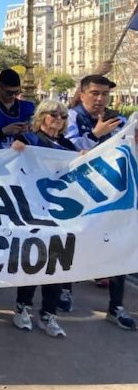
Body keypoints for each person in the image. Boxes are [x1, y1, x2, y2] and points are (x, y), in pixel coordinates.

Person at [62, 75, 135, 330]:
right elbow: (62, 151)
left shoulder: (119, 119)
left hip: (112, 195)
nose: (100, 99)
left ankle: (116, 307)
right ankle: (65, 289)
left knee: (120, 247)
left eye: (104, 94)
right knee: (73, 243)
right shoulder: (70, 117)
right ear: (82, 95)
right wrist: (95, 135)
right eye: (94, 93)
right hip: (79, 196)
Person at [7, 99, 73, 338]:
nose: (58, 119)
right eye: (53, 114)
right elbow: (10, 161)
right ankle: (22, 308)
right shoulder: (29, 141)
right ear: (42, 116)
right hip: (33, 210)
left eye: (63, 116)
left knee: (56, 265)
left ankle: (48, 313)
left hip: (59, 213)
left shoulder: (68, 145)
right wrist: (15, 150)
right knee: (33, 260)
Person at [0, 69, 35, 148]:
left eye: (16, 92)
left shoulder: (28, 108)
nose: (13, 96)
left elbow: (38, 136)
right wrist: (3, 131)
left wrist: (28, 131)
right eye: (9, 93)